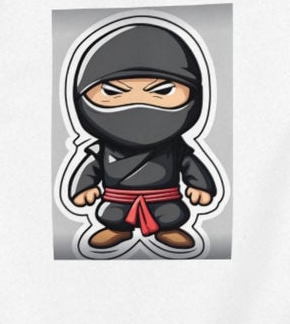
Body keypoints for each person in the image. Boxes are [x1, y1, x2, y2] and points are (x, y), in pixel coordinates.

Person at [63, 17, 220, 252]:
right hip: (118, 199)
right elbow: (91, 166)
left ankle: (167, 230)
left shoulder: (174, 147)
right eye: (113, 91)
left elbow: (189, 164)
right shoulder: (102, 148)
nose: (138, 101)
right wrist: (83, 188)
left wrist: (201, 186)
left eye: (162, 91)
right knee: (114, 215)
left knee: (169, 214)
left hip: (164, 198)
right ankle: (117, 229)